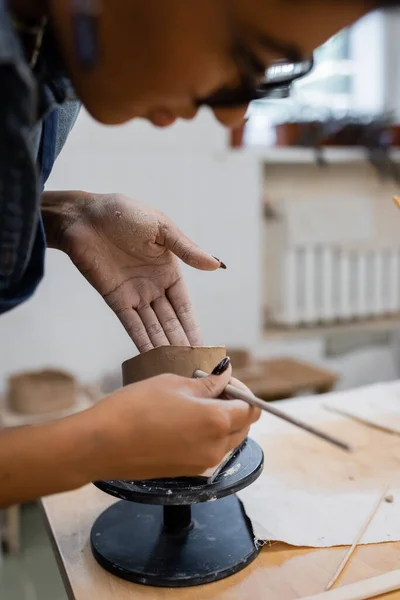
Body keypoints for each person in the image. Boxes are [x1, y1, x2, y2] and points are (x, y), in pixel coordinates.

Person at [0, 0, 395, 507]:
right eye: (247, 54)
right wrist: (96, 443)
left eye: (270, 78)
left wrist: (69, 216)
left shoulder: (47, 50)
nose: (234, 112)